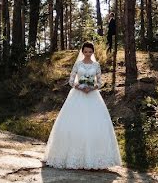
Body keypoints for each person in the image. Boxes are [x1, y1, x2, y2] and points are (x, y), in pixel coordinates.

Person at [42, 41, 122, 170]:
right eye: (85, 51)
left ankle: (94, 159)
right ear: (82, 51)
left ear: (93, 52)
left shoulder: (96, 65)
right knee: (74, 122)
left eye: (90, 52)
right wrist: (79, 87)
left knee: (94, 124)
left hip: (92, 95)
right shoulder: (78, 64)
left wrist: (92, 88)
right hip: (77, 95)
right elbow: (71, 80)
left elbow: (101, 82)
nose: (88, 54)